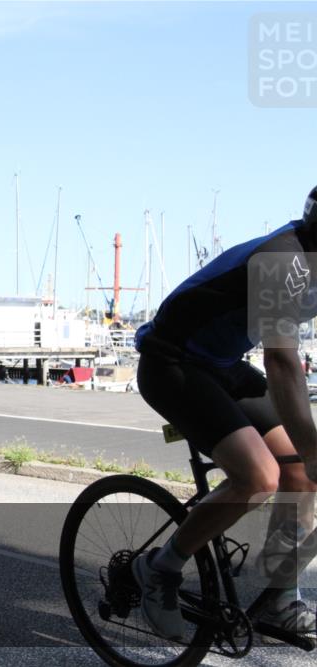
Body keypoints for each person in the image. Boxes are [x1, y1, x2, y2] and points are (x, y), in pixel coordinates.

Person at [131, 186, 317, 640]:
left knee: (303, 478)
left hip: (222, 365)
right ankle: (159, 569)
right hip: (171, 362)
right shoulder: (284, 262)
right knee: (260, 476)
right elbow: (281, 363)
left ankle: (278, 594)